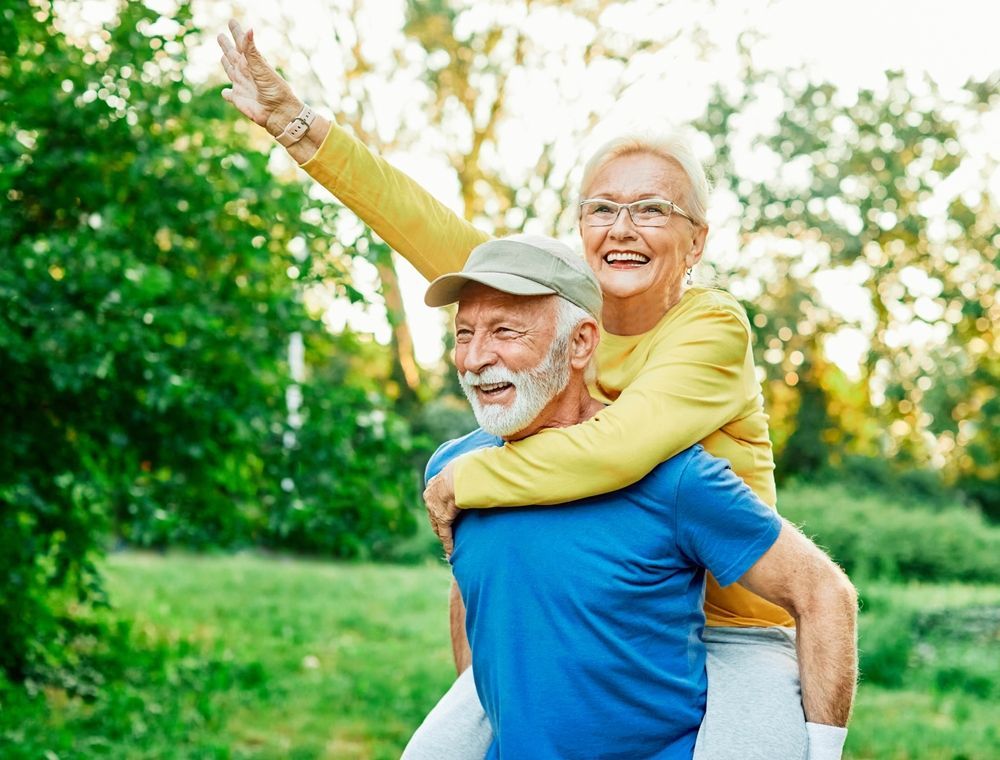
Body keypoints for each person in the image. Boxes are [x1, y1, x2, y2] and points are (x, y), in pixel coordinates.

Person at [217, 22, 855, 759]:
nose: (623, 227)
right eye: (602, 208)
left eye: (652, 209)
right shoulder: (551, 303)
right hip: (603, 619)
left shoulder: (710, 326)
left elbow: (617, 450)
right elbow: (418, 223)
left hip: (735, 624)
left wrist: (466, 476)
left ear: (697, 241)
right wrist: (299, 130)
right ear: (579, 227)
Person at [408, 233, 856, 759]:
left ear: (579, 343)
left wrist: (821, 753)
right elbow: (473, 589)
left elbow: (824, 593)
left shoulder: (677, 479)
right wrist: (486, 706)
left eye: (505, 331)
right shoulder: (453, 471)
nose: (475, 358)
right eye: (464, 334)